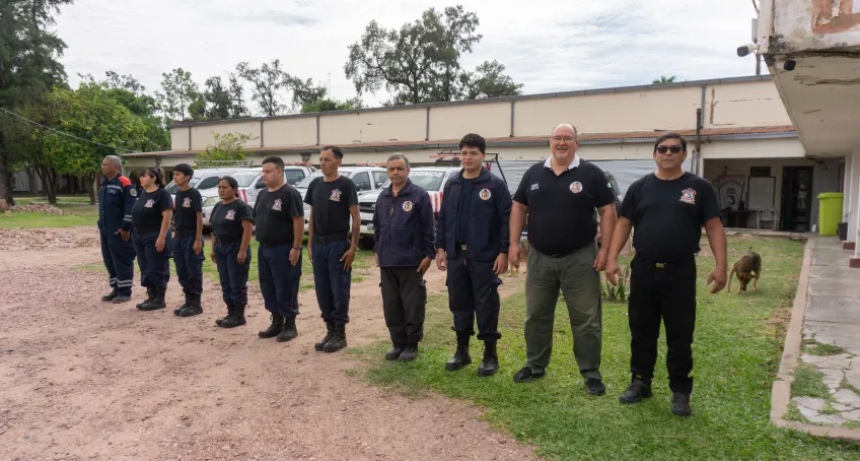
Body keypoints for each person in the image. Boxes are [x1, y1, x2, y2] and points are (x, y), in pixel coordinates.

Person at [605, 132, 727, 417]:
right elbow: (624, 224)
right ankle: (640, 382)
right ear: (654, 154)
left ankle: (680, 392)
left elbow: (713, 226)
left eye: (674, 149)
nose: (668, 153)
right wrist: (612, 258)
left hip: (680, 272)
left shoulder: (699, 188)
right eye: (662, 149)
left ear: (684, 154)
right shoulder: (640, 187)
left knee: (680, 334)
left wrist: (721, 265)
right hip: (645, 270)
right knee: (641, 331)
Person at [508, 124, 617, 395]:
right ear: (549, 142)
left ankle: (591, 373)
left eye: (567, 138)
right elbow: (519, 206)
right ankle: (535, 365)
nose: (561, 142)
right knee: (536, 316)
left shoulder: (591, 173)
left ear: (576, 143)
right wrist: (512, 243)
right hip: (539, 258)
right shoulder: (534, 173)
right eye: (557, 138)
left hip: (580, 258)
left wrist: (604, 250)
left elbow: (608, 210)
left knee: (586, 320)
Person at [436, 133, 511, 377]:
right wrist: (440, 247)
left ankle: (490, 356)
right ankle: (462, 352)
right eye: (464, 153)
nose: (468, 157)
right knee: (459, 303)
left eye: (473, 153)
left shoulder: (494, 185)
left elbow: (504, 220)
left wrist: (503, 251)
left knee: (486, 305)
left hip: (484, 257)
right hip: (457, 256)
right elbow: (444, 218)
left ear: (483, 155)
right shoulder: (453, 184)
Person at [373, 153, 435, 361]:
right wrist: (377, 249)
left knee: (412, 304)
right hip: (388, 261)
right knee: (391, 305)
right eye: (392, 169)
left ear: (408, 170)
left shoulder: (419, 195)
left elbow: (429, 228)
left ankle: (411, 344)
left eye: (400, 168)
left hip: (412, 261)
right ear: (388, 171)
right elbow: (378, 227)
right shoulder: (383, 196)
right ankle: (397, 343)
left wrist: (429, 254)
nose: (396, 172)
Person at [305, 145, 360, 353]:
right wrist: (309, 244)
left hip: (338, 244)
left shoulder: (346, 185)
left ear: (339, 162)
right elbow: (311, 216)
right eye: (321, 159)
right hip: (319, 244)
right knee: (322, 289)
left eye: (327, 159)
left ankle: (340, 333)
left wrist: (353, 247)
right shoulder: (315, 185)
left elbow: (355, 217)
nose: (322, 163)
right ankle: (329, 328)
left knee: (339, 288)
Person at [254, 156, 305, 342]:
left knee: (286, 285)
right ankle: (276, 322)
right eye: (263, 171)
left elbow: (298, 220)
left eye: (267, 171)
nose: (264, 175)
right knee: (268, 286)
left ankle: (290, 324)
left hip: (284, 248)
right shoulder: (262, 194)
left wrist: (296, 247)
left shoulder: (290, 193)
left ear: (279, 171)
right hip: (264, 248)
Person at [210, 177, 254, 329]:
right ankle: (231, 312)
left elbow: (248, 230)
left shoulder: (240, 206)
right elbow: (214, 229)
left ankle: (239, 315)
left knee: (237, 283)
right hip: (221, 248)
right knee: (225, 282)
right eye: (219, 187)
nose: (221, 190)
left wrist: (242, 251)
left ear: (234, 189)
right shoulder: (217, 206)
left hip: (235, 248)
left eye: (225, 187)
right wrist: (213, 248)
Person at [132, 167, 174, 311]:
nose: (141, 179)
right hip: (139, 235)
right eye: (140, 176)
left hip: (154, 234)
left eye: (144, 176)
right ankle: (151, 295)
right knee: (145, 267)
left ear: (153, 178)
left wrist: (161, 237)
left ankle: (159, 299)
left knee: (156, 267)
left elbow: (167, 217)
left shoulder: (162, 195)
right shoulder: (143, 194)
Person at [97, 155, 137, 304]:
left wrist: (126, 227)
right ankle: (116, 288)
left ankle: (125, 291)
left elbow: (130, 206)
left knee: (122, 260)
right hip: (106, 230)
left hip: (120, 230)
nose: (102, 167)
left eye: (106, 164)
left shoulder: (125, 183)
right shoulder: (105, 184)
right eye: (102, 164)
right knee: (109, 259)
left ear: (116, 167)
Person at [170, 163, 205, 317]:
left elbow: (199, 217)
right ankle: (188, 300)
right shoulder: (178, 194)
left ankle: (196, 304)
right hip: (178, 237)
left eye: (178, 174)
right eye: (174, 174)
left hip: (191, 237)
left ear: (187, 177)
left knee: (193, 271)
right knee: (182, 270)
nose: (175, 177)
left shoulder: (194, 194)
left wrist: (198, 239)